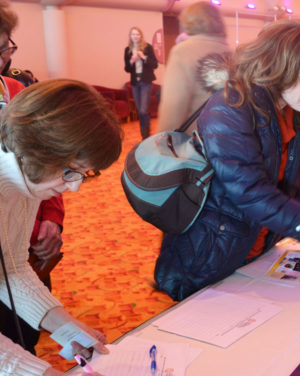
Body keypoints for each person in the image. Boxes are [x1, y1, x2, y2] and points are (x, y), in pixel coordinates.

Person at [154, 21, 300, 301]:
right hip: (209, 254)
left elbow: (294, 188)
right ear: (276, 69)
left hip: (254, 249)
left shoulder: (293, 110)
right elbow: (250, 193)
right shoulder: (230, 109)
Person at [1, 79, 123, 375]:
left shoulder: (26, 180)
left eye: (83, 173)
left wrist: (68, 327)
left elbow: (12, 268)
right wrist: (39, 371)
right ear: (37, 148)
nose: (76, 187)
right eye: (70, 171)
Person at [0, 1, 67, 358]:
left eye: (4, 49)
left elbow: (48, 165)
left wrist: (51, 218)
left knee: (25, 334)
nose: (0, 62)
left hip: (19, 249)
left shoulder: (16, 93)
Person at [157, 1, 230, 135]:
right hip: (229, 139)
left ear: (188, 23)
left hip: (196, 143)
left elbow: (173, 106)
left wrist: (161, 141)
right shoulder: (231, 52)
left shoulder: (182, 52)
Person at [124, 26, 158, 139]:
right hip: (135, 82)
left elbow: (155, 65)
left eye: (137, 34)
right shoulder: (127, 50)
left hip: (146, 82)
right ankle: (144, 135)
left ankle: (146, 136)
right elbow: (127, 69)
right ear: (130, 36)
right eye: (133, 34)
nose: (135, 36)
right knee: (140, 111)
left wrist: (144, 57)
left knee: (143, 110)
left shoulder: (148, 47)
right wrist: (131, 61)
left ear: (141, 36)